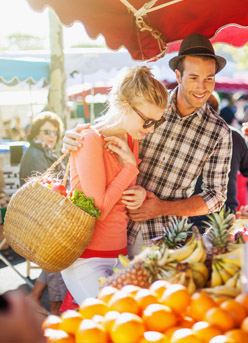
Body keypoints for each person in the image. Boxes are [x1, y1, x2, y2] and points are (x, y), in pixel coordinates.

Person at [62, 33, 232, 259]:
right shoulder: (150, 104)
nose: (202, 87)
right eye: (193, 77)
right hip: (116, 228)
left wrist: (162, 207)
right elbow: (107, 130)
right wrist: (75, 135)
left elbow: (216, 197)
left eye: (209, 79)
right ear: (178, 76)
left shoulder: (219, 132)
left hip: (167, 237)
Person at [60, 66, 169, 304]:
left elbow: (119, 193)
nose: (150, 129)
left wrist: (140, 193)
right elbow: (98, 210)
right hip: (86, 259)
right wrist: (130, 167)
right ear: (122, 104)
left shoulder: (131, 137)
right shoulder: (89, 140)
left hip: (119, 254)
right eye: (147, 121)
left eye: (155, 124)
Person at [19, 111, 68, 315]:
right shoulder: (35, 154)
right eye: (46, 131)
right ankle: (56, 309)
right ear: (36, 133)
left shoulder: (45, 151)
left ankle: (35, 295)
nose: (52, 135)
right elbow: (46, 189)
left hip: (47, 215)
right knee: (59, 257)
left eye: (55, 132)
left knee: (55, 258)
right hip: (41, 218)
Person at [192, 93, 248, 217]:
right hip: (224, 215)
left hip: (188, 214)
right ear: (218, 110)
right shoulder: (233, 135)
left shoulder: (186, 135)